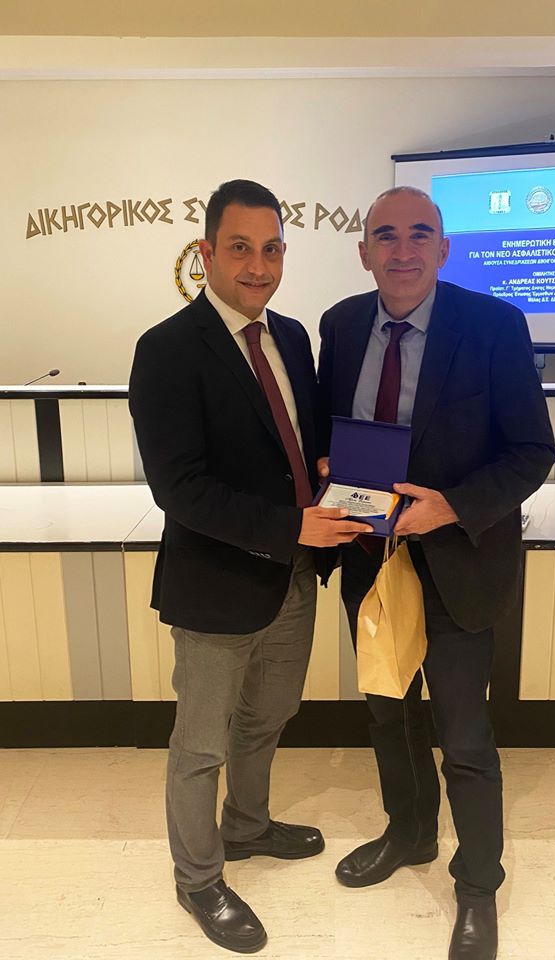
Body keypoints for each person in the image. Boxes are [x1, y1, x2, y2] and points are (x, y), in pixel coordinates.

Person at [129, 179, 371, 954]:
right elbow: (180, 488)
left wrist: (333, 470)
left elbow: (298, 442)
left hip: (293, 576)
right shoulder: (167, 349)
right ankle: (198, 878)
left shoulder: (291, 337)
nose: (257, 266)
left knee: (269, 716)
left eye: (270, 249)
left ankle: (247, 825)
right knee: (201, 745)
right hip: (214, 584)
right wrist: (291, 524)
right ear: (206, 253)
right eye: (239, 248)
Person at [317, 186, 555, 960]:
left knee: (462, 734)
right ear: (363, 251)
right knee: (388, 714)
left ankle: (476, 885)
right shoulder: (339, 325)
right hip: (370, 559)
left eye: (419, 234)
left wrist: (449, 507)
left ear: (444, 248)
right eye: (385, 236)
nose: (402, 250)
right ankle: (410, 833)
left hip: (459, 560)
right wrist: (325, 466)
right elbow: (332, 429)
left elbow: (532, 451)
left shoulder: (494, 326)